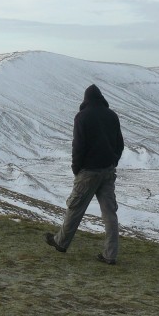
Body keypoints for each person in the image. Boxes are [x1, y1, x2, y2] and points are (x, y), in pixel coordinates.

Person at [45, 84, 124, 264]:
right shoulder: (112, 116)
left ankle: (61, 242)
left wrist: (76, 168)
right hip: (107, 171)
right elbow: (120, 144)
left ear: (86, 99)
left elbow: (78, 146)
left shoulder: (82, 117)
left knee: (75, 208)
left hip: (88, 172)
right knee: (110, 214)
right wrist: (113, 161)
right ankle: (110, 255)